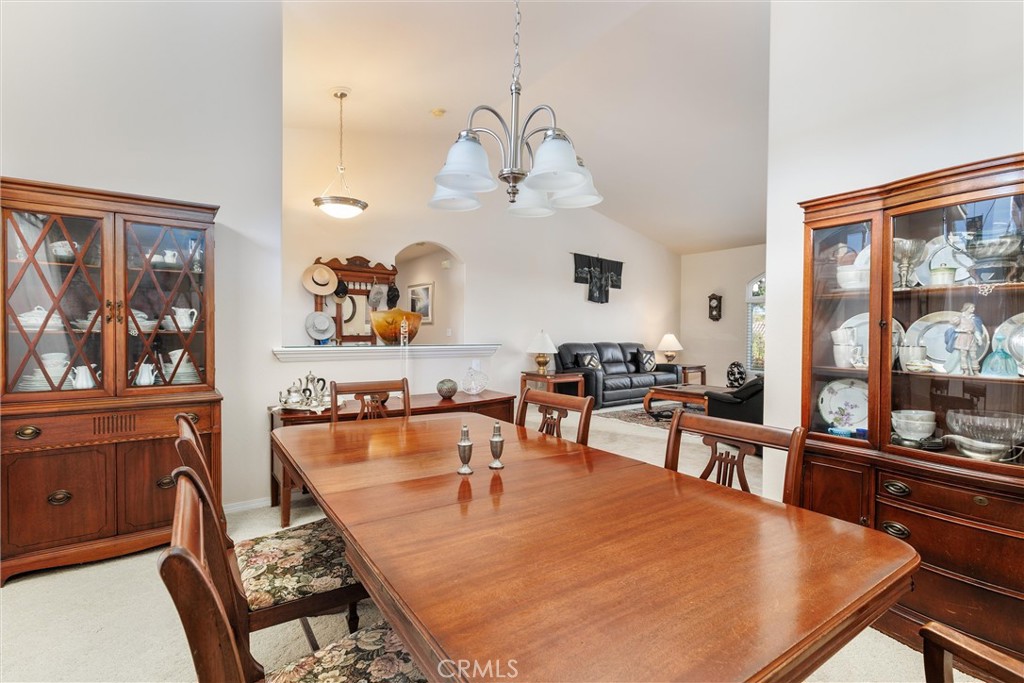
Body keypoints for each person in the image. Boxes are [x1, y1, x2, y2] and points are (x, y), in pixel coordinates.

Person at [945, 303, 983, 375]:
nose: (973, 309)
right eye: (972, 308)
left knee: (973, 355)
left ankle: (976, 371)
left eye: (973, 308)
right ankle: (965, 370)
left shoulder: (974, 318)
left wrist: (979, 339)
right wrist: (962, 330)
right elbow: (952, 328)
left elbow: (976, 330)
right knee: (963, 355)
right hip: (962, 338)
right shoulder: (959, 318)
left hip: (971, 338)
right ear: (966, 308)